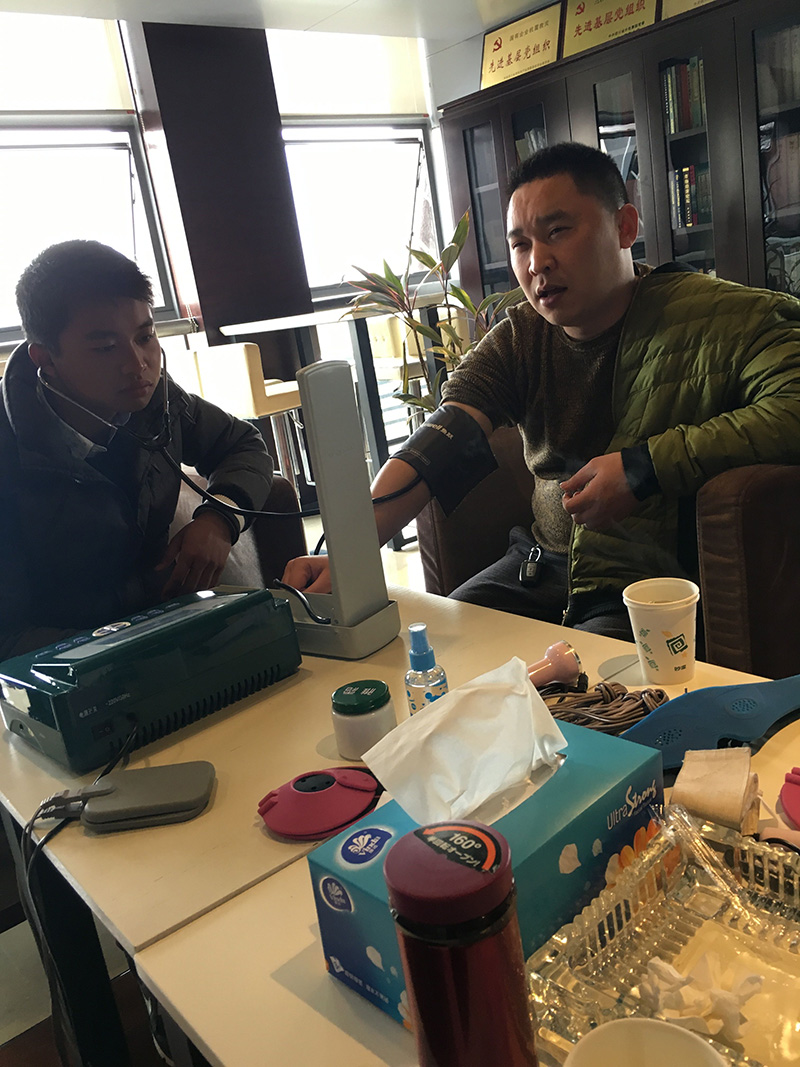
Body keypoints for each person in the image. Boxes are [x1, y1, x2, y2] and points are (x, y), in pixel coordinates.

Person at [283, 141, 800, 638]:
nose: (537, 263)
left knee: (580, 692)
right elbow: (442, 439)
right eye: (520, 244)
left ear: (624, 226)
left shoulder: (718, 317)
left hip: (638, 584)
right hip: (536, 567)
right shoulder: (521, 336)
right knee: (434, 656)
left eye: (557, 231)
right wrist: (347, 556)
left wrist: (644, 468)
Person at [0, 239, 273, 661]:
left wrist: (219, 519)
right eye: (105, 348)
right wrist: (139, 654)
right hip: (74, 667)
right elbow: (10, 637)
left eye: (145, 336)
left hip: (166, 634)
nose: (137, 364)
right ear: (46, 359)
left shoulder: (155, 400)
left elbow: (241, 444)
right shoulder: (10, 455)